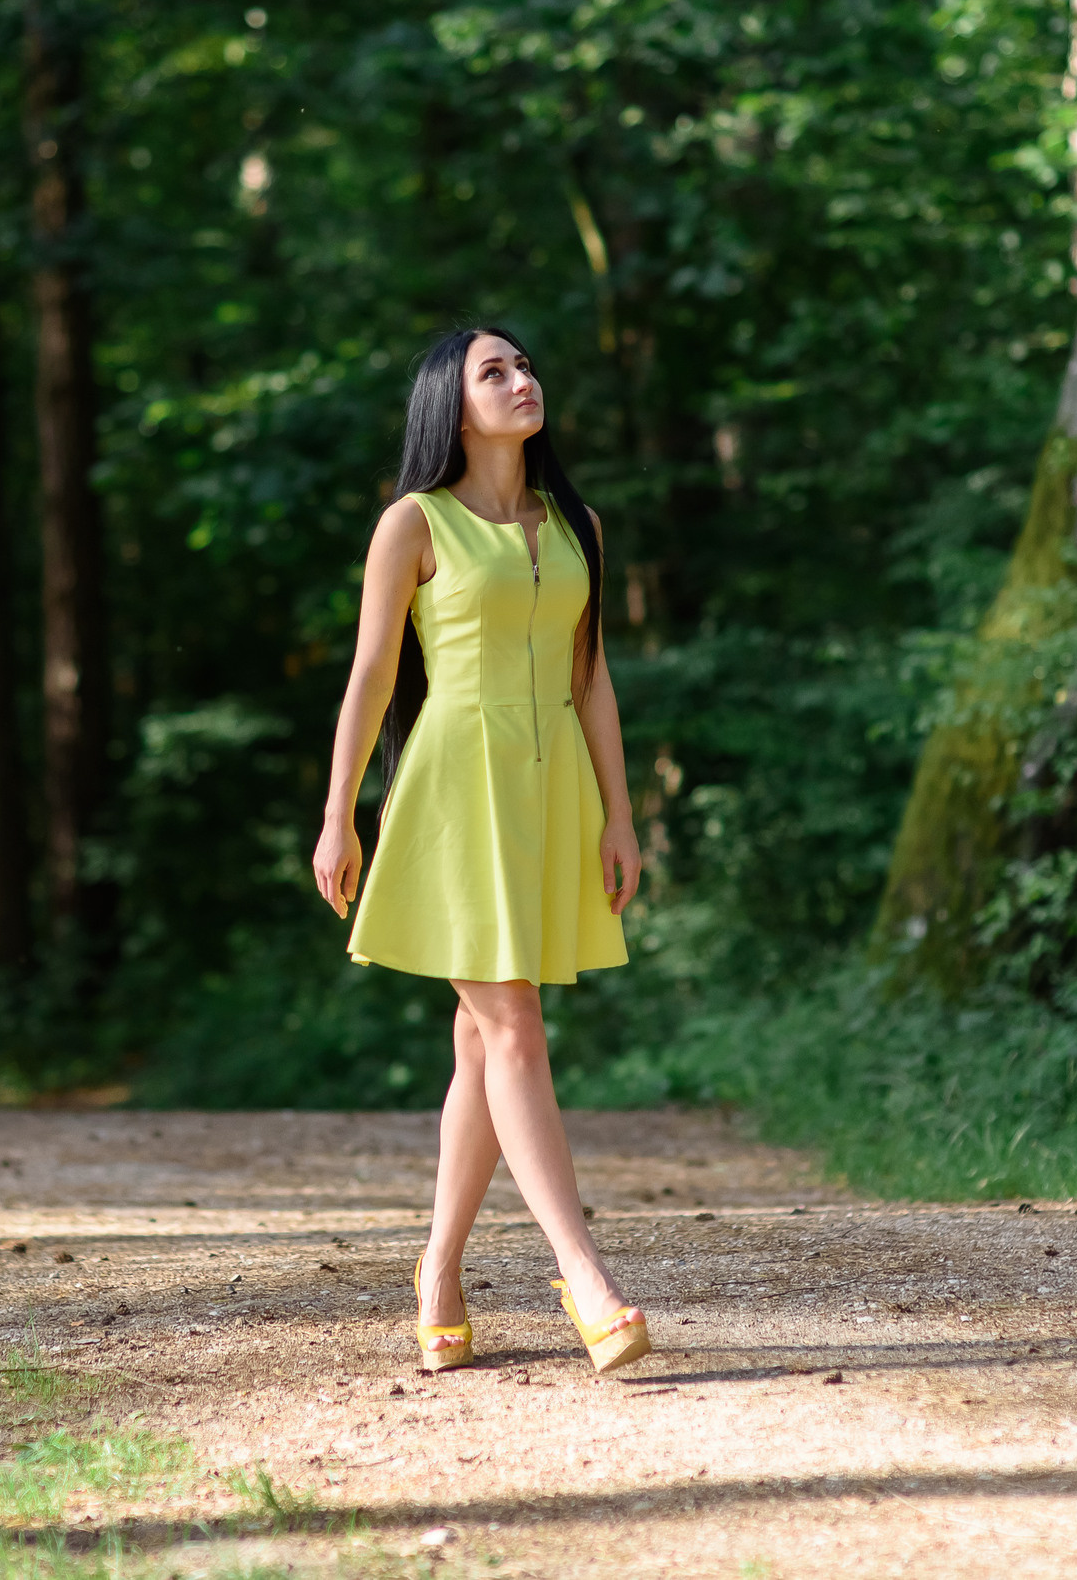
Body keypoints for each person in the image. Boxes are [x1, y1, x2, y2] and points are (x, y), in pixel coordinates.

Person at [310, 325, 651, 1375]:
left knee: (479, 1039)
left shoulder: (578, 523)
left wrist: (621, 813)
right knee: (513, 1020)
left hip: (552, 793)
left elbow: (591, 676)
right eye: (492, 372)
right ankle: (583, 1274)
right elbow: (371, 675)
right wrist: (338, 812)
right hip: (455, 788)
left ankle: (438, 1268)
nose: (521, 381)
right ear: (450, 408)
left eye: (525, 365)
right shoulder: (412, 523)